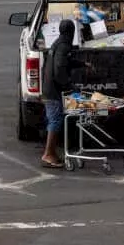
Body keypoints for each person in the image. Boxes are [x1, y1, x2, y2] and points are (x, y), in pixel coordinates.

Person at [41, 19, 85, 169]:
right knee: (56, 120)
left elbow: (66, 61)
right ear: (71, 32)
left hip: (48, 88)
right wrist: (69, 86)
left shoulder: (57, 43)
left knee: (55, 119)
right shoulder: (64, 46)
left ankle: (51, 153)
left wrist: (83, 64)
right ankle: (48, 154)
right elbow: (60, 68)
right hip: (52, 91)